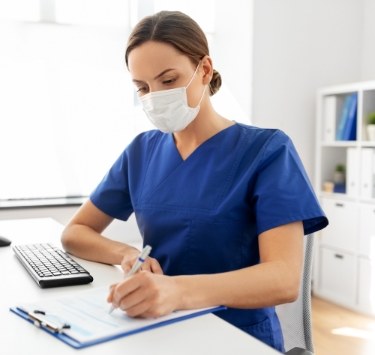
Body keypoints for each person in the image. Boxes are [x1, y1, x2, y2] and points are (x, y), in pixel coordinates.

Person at [61, 11, 327, 352]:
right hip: (159, 329)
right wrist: (125, 254)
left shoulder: (267, 151)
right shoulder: (142, 151)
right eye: (142, 87)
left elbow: (285, 279)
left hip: (239, 337)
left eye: (168, 81)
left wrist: (178, 291)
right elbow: (75, 233)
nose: (154, 96)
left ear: (203, 70)